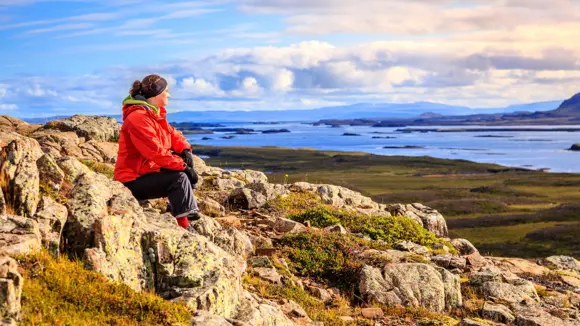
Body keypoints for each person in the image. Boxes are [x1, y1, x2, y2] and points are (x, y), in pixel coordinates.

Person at [114, 74, 201, 230]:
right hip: (132, 180)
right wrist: (183, 167)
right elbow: (155, 152)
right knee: (179, 178)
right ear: (156, 94)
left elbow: (172, 134)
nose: (169, 95)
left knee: (180, 168)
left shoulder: (154, 113)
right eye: (166, 91)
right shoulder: (138, 118)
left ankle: (182, 209)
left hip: (146, 172)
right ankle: (184, 226)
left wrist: (185, 150)